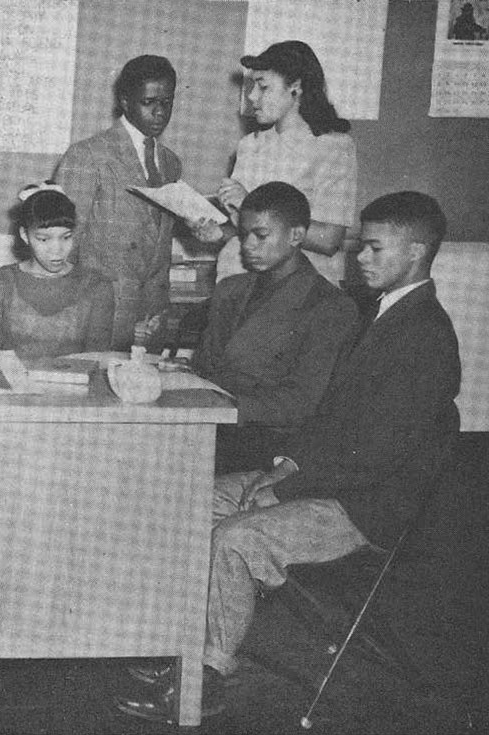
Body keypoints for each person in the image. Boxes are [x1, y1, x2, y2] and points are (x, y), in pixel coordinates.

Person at [116, 191, 461, 723]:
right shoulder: (381, 314)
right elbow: (326, 418)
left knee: (234, 539)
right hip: (327, 479)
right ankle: (183, 643)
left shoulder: (425, 336)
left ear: (416, 252)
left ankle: (207, 677)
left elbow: (378, 454)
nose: (359, 258)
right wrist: (286, 467)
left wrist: (287, 484)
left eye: (372, 249)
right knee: (192, 503)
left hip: (366, 507)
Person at [192, 181, 359, 472]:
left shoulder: (330, 306)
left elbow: (301, 403)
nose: (247, 245)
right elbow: (205, 366)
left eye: (261, 235)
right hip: (210, 427)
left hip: (269, 445)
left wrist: (225, 408)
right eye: (244, 235)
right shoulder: (229, 290)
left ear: (296, 235)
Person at [194, 40, 357, 288]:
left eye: (263, 87)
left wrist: (251, 205)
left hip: (299, 288)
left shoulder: (334, 147)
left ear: (296, 87)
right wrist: (220, 232)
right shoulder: (249, 145)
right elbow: (245, 229)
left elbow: (329, 240)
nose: (251, 96)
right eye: (253, 87)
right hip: (237, 279)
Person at [54, 55, 182, 350]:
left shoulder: (171, 163)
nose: (160, 112)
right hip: (103, 313)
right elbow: (65, 244)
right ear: (125, 101)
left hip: (152, 314)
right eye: (149, 102)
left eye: (167, 102)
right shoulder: (88, 155)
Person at [0, 182, 114, 359]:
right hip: (14, 384)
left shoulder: (96, 286)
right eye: (44, 239)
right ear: (25, 235)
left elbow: (95, 360)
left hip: (72, 385)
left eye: (66, 237)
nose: (57, 250)